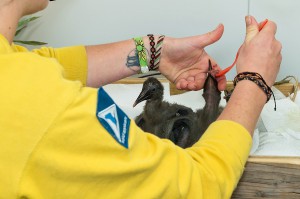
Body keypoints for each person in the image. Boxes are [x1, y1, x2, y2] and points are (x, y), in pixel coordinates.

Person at [0, 0, 281, 198]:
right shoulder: (48, 112)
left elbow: (50, 65)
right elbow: (197, 185)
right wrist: (254, 82)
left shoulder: (13, 70)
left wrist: (154, 52)